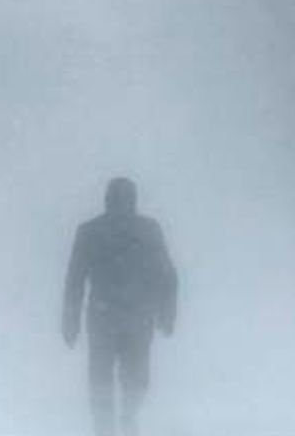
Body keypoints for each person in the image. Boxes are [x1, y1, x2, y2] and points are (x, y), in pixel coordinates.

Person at [62, 176, 178, 436]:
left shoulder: (91, 231)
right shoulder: (147, 230)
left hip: (107, 318)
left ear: (106, 199)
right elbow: (167, 277)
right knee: (132, 380)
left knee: (106, 380)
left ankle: (113, 425)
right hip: (134, 319)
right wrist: (166, 315)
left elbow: (74, 281)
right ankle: (124, 422)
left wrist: (70, 322)